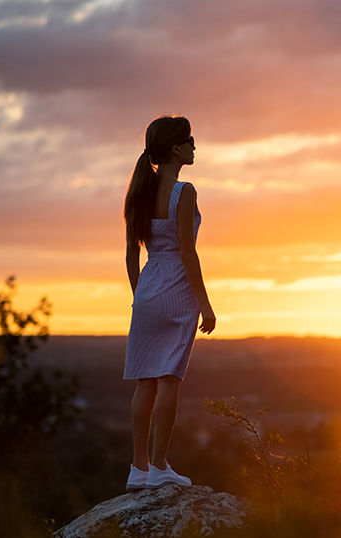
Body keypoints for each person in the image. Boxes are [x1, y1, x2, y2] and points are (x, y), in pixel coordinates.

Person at [122, 115, 216, 491]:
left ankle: (138, 468)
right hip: (177, 289)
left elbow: (131, 255)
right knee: (169, 380)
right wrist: (205, 304)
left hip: (147, 289)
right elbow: (187, 253)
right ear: (176, 148)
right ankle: (160, 466)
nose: (195, 145)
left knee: (144, 384)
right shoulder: (184, 191)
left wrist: (140, 297)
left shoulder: (138, 194)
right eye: (189, 140)